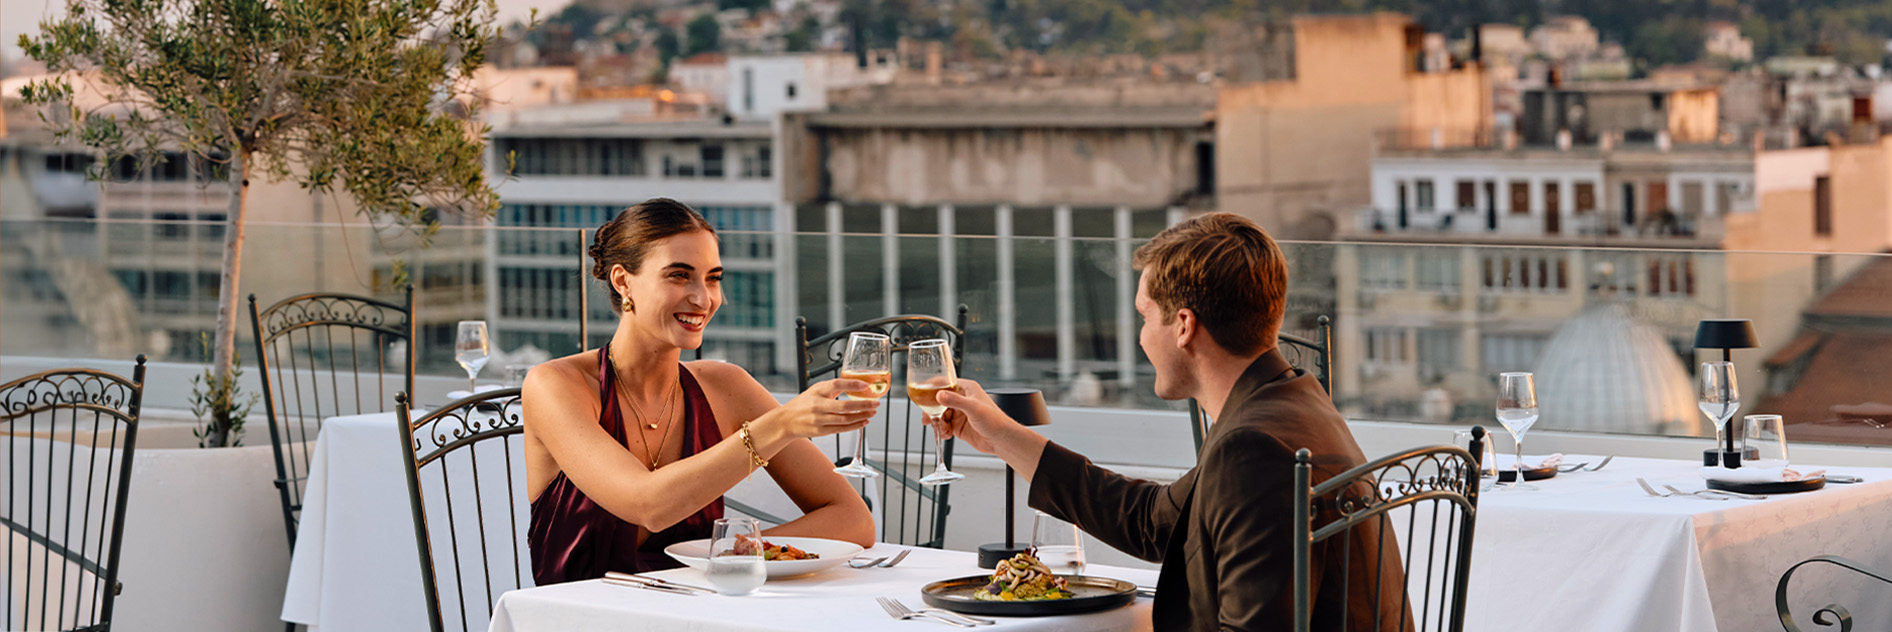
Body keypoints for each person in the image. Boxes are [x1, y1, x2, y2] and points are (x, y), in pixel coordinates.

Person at [929, 212, 1404, 631]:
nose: (1140, 338)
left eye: (1144, 315)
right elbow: (1153, 522)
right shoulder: (1290, 402)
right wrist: (1002, 437)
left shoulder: (1253, 449)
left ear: (1183, 326)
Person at [523, 198, 878, 582]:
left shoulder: (726, 386)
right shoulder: (555, 385)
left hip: (699, 617)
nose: (704, 298)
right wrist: (780, 424)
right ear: (623, 281)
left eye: (712, 277)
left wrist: (738, 552)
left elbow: (854, 519)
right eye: (679, 275)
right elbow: (649, 506)